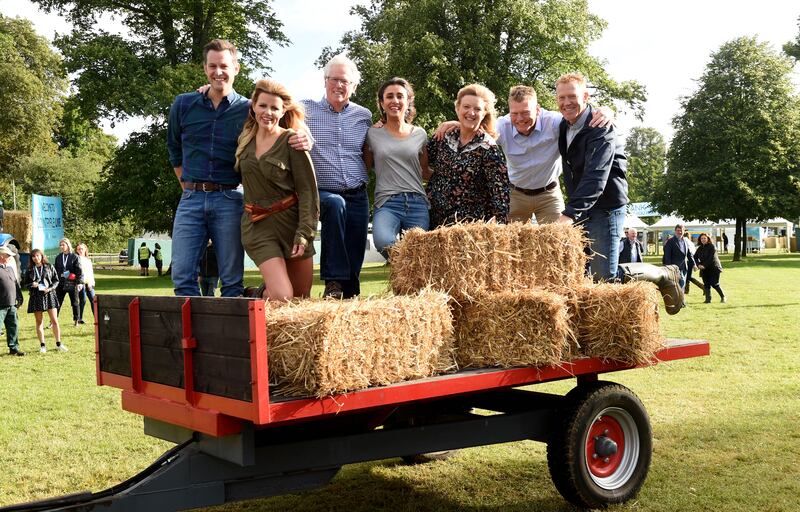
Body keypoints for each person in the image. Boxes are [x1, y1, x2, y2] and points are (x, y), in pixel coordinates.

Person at [553, 73, 683, 314]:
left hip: (605, 207)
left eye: (572, 96)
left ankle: (663, 273)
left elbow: (596, 176)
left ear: (585, 96)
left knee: (605, 277)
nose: (566, 102)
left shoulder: (601, 127)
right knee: (584, 272)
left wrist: (569, 213)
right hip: (582, 207)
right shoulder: (563, 124)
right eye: (561, 97)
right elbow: (524, 118)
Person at [434, 85, 611, 224]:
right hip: (516, 194)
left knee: (557, 242)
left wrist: (606, 111)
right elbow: (475, 127)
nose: (520, 119)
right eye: (514, 114)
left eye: (526, 113)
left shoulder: (555, 122)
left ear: (538, 110)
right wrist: (455, 123)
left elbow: (580, 116)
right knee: (510, 249)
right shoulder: (501, 126)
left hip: (548, 193)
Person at [167, 39, 249, 297]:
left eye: (224, 66)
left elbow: (282, 118)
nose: (218, 72)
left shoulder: (249, 109)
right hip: (191, 198)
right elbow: (174, 151)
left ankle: (226, 337)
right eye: (212, 66)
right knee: (182, 276)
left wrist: (304, 136)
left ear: (236, 68)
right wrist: (189, 188)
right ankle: (194, 336)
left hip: (230, 198)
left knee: (232, 280)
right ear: (205, 68)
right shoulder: (183, 104)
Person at [236, 79, 319, 301]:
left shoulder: (292, 140)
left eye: (274, 108)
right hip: (257, 225)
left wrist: (304, 234)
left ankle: (257, 294)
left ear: (283, 111)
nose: (268, 112)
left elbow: (308, 192)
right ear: (253, 106)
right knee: (283, 296)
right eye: (263, 105)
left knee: (301, 298)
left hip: (291, 225)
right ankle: (265, 293)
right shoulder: (244, 140)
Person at [301, 54, 372, 299]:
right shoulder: (304, 109)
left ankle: (349, 295)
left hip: (357, 191)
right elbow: (265, 106)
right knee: (335, 204)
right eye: (334, 79)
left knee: (355, 249)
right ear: (324, 81)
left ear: (353, 86)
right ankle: (332, 282)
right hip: (323, 191)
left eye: (345, 81)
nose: (339, 85)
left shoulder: (364, 115)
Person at [364, 77, 431, 258]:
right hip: (387, 202)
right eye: (389, 96)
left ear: (408, 100)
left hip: (417, 203)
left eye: (400, 96)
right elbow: (365, 166)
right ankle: (405, 275)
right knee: (384, 242)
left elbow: (425, 172)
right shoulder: (372, 133)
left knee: (418, 254)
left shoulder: (420, 134)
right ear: (382, 102)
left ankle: (409, 285)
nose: (395, 101)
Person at [426, 83, 509, 227]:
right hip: (434, 222)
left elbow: (500, 192)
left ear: (484, 114)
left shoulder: (489, 148)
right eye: (466, 107)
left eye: (477, 109)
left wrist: (499, 225)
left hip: (468, 229)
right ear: (457, 108)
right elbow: (418, 159)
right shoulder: (443, 137)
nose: (471, 112)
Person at [27, 249, 67, 352]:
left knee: (54, 320)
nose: (36, 258)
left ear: (41, 256)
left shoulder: (49, 266)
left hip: (49, 295)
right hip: (36, 296)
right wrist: (32, 284)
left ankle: (58, 344)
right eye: (34, 256)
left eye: (38, 255)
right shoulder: (30, 269)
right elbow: (26, 284)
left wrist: (49, 289)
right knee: (39, 321)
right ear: (32, 258)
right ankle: (42, 346)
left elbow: (56, 280)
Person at [0, 246, 24, 356]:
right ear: (1, 256)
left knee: (13, 327)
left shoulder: (9, 268)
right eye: (8, 256)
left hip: (11, 304)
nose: (10, 258)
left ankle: (14, 348)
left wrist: (19, 297)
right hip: (1, 306)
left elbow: (15, 284)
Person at [54, 237, 82, 327]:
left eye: (63, 245)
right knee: (57, 302)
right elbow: (56, 270)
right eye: (60, 245)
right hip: (61, 283)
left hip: (72, 282)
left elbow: (79, 270)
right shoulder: (58, 257)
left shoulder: (74, 257)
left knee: (75, 302)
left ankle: (76, 320)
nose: (61, 246)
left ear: (68, 245)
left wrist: (79, 282)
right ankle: (53, 321)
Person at [694, 233, 726, 303]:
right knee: (706, 284)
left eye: (704, 238)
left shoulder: (712, 247)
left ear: (708, 239)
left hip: (714, 268)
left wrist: (704, 265)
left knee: (714, 284)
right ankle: (708, 300)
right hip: (704, 269)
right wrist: (698, 264)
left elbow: (711, 258)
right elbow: (695, 257)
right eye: (702, 238)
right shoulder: (699, 248)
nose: (703, 240)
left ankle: (723, 297)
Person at [662, 224, 691, 296]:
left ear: (684, 231)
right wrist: (668, 267)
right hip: (675, 267)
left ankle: (681, 301)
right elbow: (667, 255)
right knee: (681, 283)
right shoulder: (670, 241)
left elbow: (689, 254)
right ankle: (680, 301)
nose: (679, 232)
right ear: (675, 231)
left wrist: (694, 264)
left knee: (682, 285)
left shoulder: (685, 241)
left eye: (681, 230)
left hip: (684, 267)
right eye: (678, 230)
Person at [75, 243, 95, 325]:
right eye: (78, 249)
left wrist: (91, 282)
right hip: (81, 283)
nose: (80, 250)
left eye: (81, 249)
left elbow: (90, 272)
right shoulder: (76, 259)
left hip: (89, 282)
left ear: (85, 249)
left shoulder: (88, 260)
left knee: (94, 300)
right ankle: (79, 318)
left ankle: (96, 318)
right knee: (82, 300)